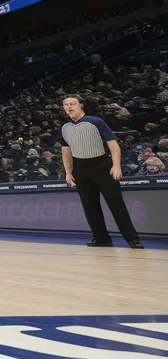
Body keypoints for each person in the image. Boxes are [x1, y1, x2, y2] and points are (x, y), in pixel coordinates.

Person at [58, 95, 143, 248]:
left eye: (72, 103)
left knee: (116, 204)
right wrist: (68, 172)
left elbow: (113, 145)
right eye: (66, 104)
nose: (69, 106)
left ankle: (132, 239)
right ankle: (101, 238)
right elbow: (66, 152)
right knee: (90, 206)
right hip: (80, 169)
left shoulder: (96, 121)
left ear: (81, 105)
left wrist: (116, 165)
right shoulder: (65, 128)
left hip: (102, 166)